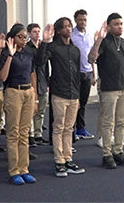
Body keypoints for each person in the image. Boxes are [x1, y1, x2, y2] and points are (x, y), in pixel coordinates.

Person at [37, 17, 85, 177]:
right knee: (58, 128)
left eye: (69, 26)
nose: (68, 29)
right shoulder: (52, 47)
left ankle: (68, 159)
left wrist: (77, 97)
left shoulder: (75, 50)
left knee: (69, 129)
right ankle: (59, 162)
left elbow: (77, 74)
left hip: (73, 95)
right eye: (64, 27)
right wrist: (44, 41)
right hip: (59, 93)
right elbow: (39, 61)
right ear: (58, 30)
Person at [88, 13, 124, 169]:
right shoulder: (103, 42)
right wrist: (99, 39)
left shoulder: (123, 42)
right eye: (116, 24)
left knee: (121, 122)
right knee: (108, 123)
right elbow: (91, 58)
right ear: (108, 26)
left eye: (121, 23)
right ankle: (107, 154)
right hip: (109, 89)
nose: (120, 26)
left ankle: (118, 152)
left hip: (123, 88)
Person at [0, 23, 37, 185]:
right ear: (12, 38)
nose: (23, 40)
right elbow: (2, 77)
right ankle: (14, 170)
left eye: (25, 37)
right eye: (20, 37)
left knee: (25, 132)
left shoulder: (29, 52)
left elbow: (32, 74)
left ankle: (24, 169)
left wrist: (35, 97)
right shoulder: (5, 54)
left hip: (28, 92)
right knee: (13, 133)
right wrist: (10, 56)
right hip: (13, 92)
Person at [71, 9, 95, 140]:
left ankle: (81, 128)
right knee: (75, 103)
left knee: (84, 103)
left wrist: (93, 74)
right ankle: (72, 129)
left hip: (88, 72)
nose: (83, 22)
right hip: (76, 73)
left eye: (85, 19)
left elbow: (91, 55)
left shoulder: (89, 35)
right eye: (80, 19)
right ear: (75, 20)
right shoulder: (71, 35)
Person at [27, 23, 50, 146]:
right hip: (31, 82)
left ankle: (38, 134)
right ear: (29, 33)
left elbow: (45, 66)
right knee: (31, 111)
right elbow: (37, 61)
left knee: (41, 111)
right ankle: (30, 134)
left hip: (42, 81)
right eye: (34, 31)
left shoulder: (43, 46)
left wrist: (47, 82)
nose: (37, 33)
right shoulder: (27, 47)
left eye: (38, 31)